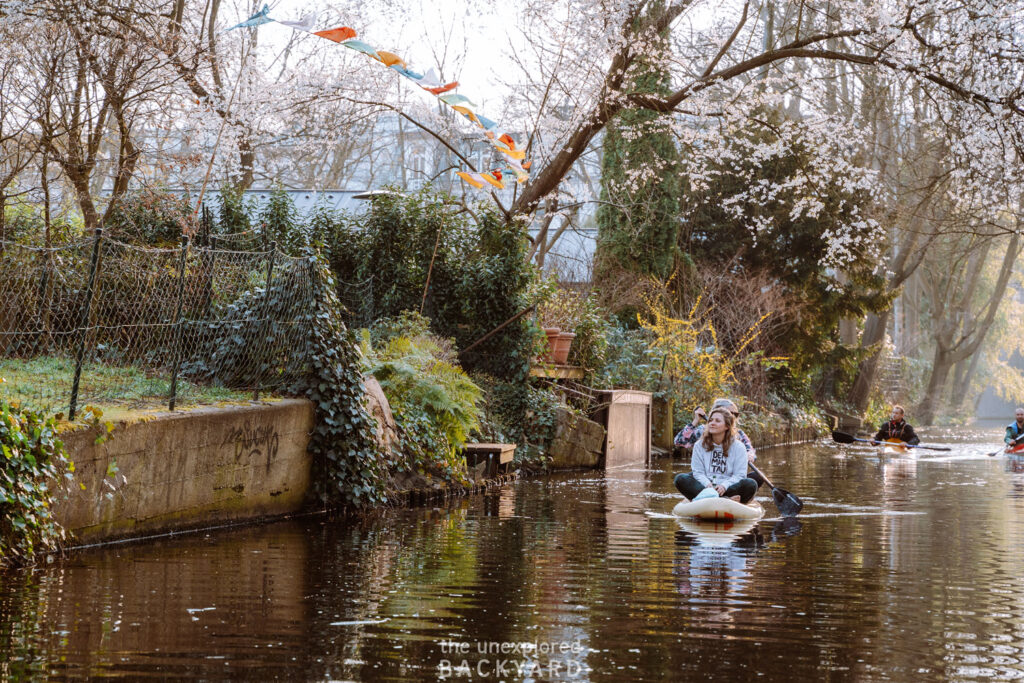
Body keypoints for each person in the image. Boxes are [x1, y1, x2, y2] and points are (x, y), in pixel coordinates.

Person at [674, 408, 758, 504]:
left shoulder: (739, 446)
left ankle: (708, 498)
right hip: (705, 487)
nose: (712, 423)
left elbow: (739, 475)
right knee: (680, 479)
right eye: (710, 420)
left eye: (717, 421)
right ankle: (723, 499)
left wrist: (724, 485)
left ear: (727, 426)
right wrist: (707, 485)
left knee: (751, 484)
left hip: (728, 487)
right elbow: (698, 472)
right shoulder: (699, 445)